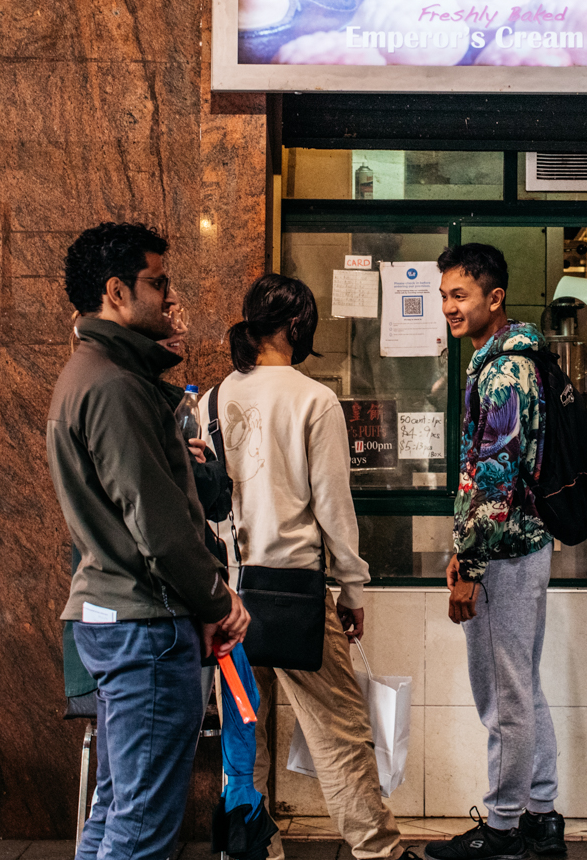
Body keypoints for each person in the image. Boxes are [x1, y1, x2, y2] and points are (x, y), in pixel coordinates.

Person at [47, 222, 250, 860]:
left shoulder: (91, 375)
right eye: (157, 282)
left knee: (114, 811)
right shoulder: (115, 385)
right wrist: (217, 600)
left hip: (116, 618)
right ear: (116, 291)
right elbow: (158, 527)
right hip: (145, 623)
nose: (168, 297)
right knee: (140, 830)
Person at [197, 273, 418, 860]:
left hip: (228, 598)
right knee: (339, 734)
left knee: (244, 734)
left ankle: (252, 849)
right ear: (298, 326)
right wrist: (351, 588)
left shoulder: (211, 401)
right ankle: (378, 851)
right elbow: (332, 508)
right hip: (294, 593)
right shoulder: (314, 400)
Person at [427, 243, 566, 860]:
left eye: (460, 294)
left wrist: (472, 566)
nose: (449, 307)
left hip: (506, 554)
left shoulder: (507, 370)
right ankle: (541, 816)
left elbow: (494, 476)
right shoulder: (505, 359)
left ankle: (505, 827)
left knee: (503, 694)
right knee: (522, 686)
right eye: (444, 295)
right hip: (513, 548)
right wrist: (465, 548)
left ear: (494, 298)